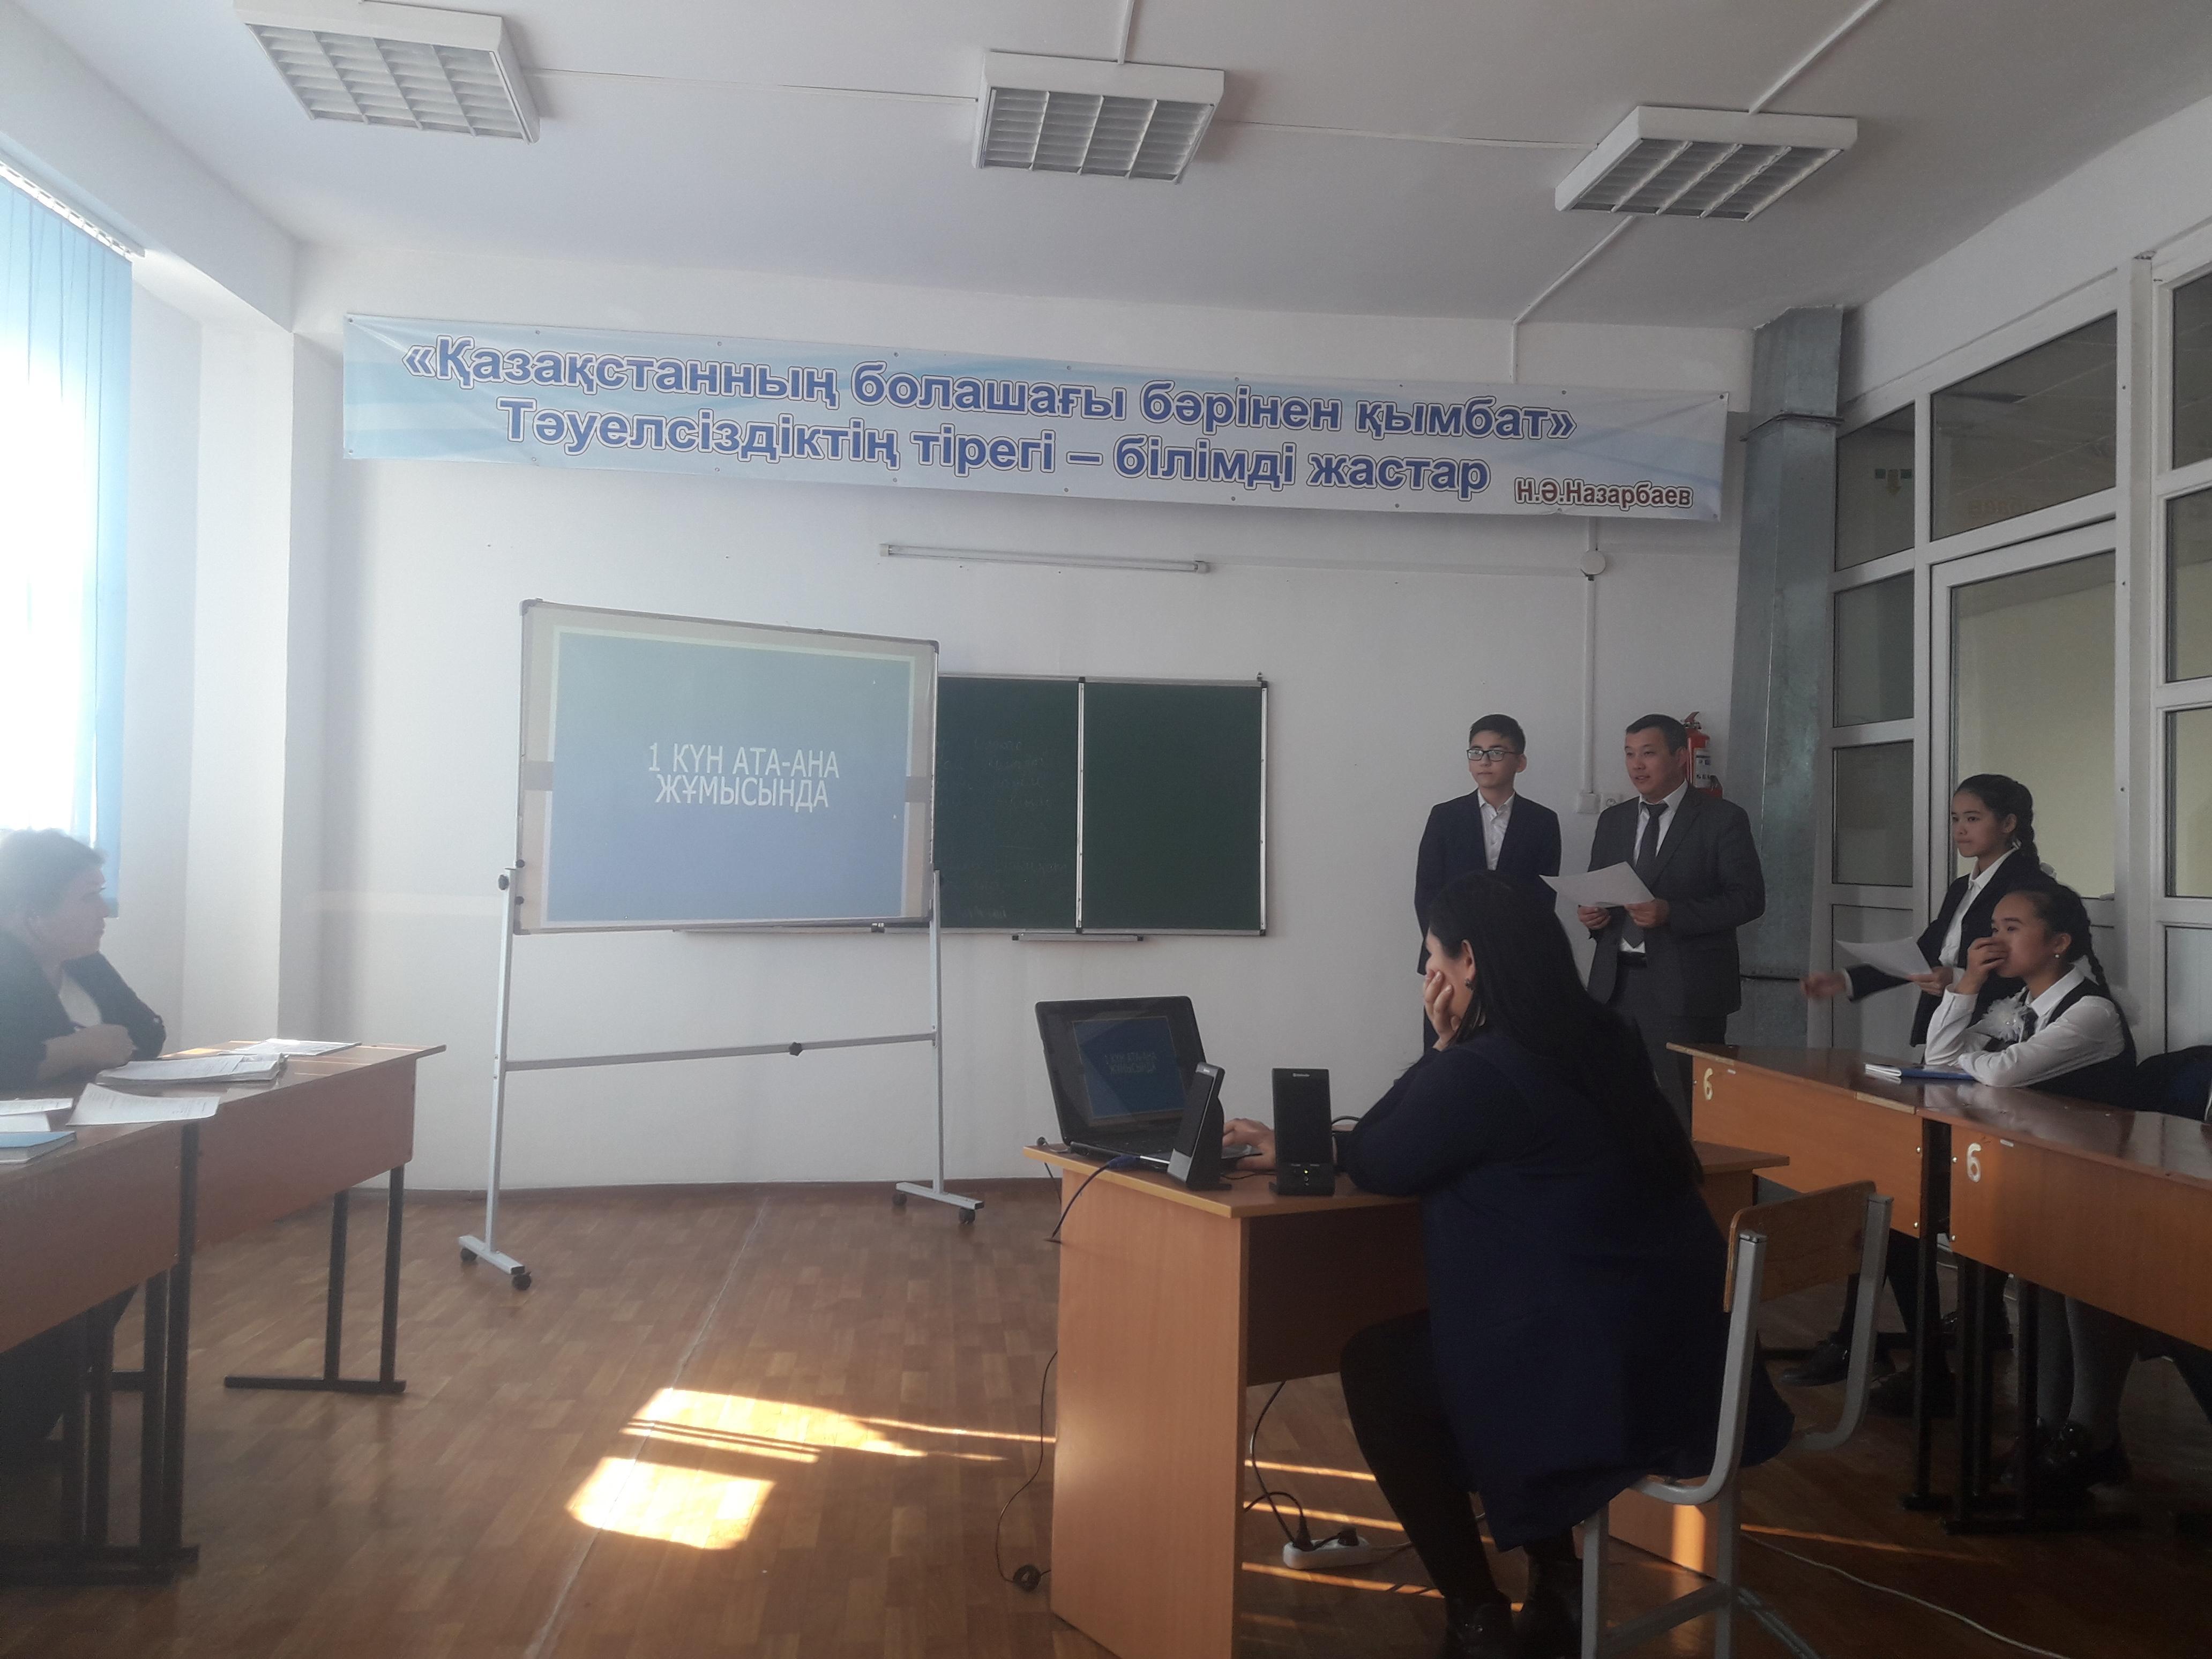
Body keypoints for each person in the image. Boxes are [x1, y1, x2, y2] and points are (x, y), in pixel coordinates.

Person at [1223, 873, 1790, 1659]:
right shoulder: (1606, 1038)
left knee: (1382, 1367)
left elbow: (1385, 1155)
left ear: (1470, 962)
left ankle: (1477, 1617)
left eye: (1432, 958)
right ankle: (1555, 1584)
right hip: (1688, 1359)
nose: (1429, 975)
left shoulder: (1478, 1069)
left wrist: (1441, 1045)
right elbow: (1425, 1140)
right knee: (1474, 1338)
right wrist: (1323, 1140)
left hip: (1593, 1382)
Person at [1788, 774, 2044, 1408]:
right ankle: (1914, 1332)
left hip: (1989, 1049)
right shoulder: (1965, 885)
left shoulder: (2028, 886)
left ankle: (1882, 1341)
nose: (1960, 830)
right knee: (1896, 1188)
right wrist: (1848, 980)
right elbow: (1927, 953)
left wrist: (1955, 979)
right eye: (1955, 818)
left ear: (2009, 823)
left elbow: (2018, 974)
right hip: (1946, 1040)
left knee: (1904, 1192)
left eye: (1973, 818)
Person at [1923, 880, 2143, 1503]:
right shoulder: (2021, 1003)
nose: (1994, 939)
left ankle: (2088, 1434)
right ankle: (2050, 1427)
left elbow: (2004, 1072)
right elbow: (1939, 1056)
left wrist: (1969, 1058)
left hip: (2106, 1187)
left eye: (2013, 928)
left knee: (2071, 1277)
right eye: (1994, 926)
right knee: (2039, 1276)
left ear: (2059, 942)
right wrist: (1968, 985)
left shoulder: (2092, 1011)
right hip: (2051, 1177)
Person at [0, 828, 165, 1467]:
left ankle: (26, 1419)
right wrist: (77, 1049)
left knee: (118, 1251)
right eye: (88, 896)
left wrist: (62, 1054)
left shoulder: (87, 962)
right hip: (21, 1164)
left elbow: (145, 1032)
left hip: (80, 1145)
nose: (105, 910)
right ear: (29, 915)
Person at [1578, 715, 1765, 1125]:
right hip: (1614, 987)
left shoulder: (1722, 818)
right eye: (1629, 754)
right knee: (1612, 1109)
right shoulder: (1614, 821)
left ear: (1680, 757)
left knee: (1691, 1113)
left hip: (1686, 990)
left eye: (1648, 753)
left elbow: (1748, 900)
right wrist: (1593, 916)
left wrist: (1672, 913)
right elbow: (1601, 891)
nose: (1636, 765)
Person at [1416, 716, 1562, 1050]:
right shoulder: (1445, 817)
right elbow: (1426, 892)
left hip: (1514, 962)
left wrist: (1511, 948)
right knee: (1446, 1051)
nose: (1484, 761)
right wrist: (1447, 948)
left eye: (1496, 752)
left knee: (1510, 1050)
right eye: (1476, 752)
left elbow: (1543, 897)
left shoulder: (1542, 822)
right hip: (1452, 959)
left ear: (1520, 762)